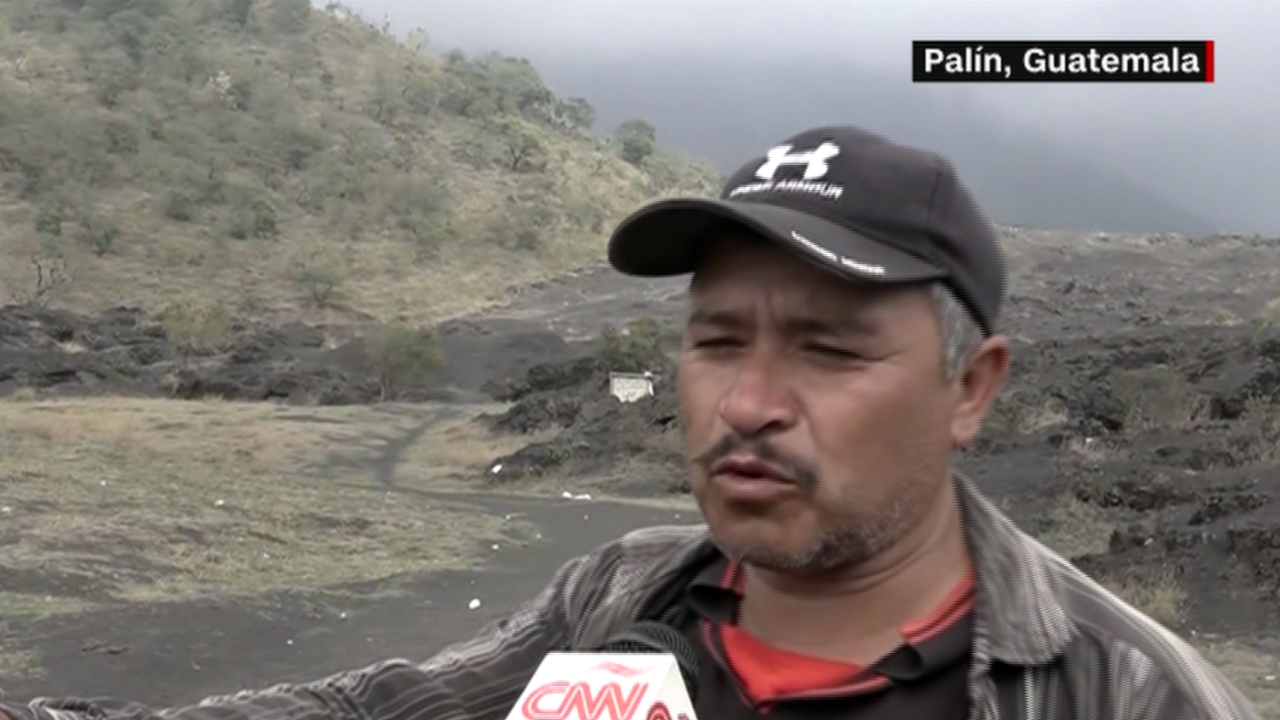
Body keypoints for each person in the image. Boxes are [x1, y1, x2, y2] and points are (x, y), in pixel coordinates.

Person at [0, 125, 1259, 720]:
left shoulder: (1125, 693)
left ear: (970, 388)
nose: (749, 401)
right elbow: (378, 709)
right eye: (716, 341)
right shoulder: (626, 586)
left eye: (828, 349)